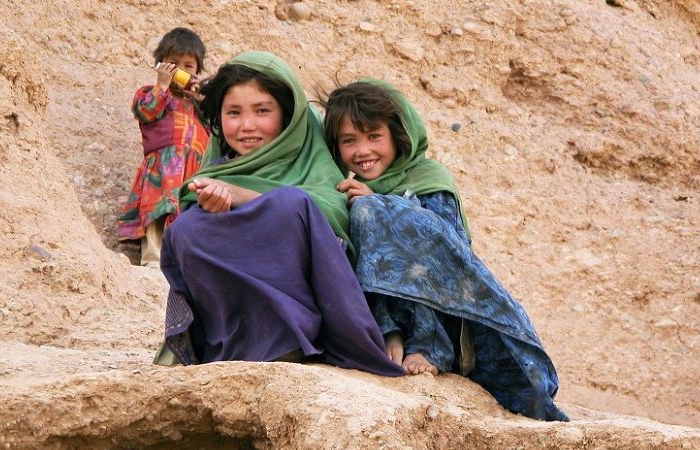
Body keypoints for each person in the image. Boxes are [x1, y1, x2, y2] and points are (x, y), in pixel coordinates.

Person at [319, 80, 569, 421]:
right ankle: (388, 333)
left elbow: (446, 256)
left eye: (373, 136)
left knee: (371, 213)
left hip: (446, 313)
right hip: (390, 316)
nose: (362, 150)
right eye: (349, 141)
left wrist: (380, 205)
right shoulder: (352, 190)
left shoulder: (429, 178)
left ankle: (430, 345)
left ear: (399, 134)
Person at [153, 52, 403, 377]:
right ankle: (232, 345)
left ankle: (291, 338)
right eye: (233, 113)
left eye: (262, 111)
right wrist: (216, 209)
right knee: (186, 229)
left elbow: (326, 216)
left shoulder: (311, 163)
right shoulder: (218, 173)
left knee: (291, 204)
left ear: (287, 115)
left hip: (309, 332)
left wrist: (245, 199)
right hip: (231, 348)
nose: (247, 126)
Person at [117, 27, 210, 268]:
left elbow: (219, 130)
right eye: (173, 63)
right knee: (159, 209)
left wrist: (206, 102)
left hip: (194, 167)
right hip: (164, 164)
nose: (181, 70)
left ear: (197, 71)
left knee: (189, 213)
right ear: (160, 66)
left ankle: (183, 262)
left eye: (188, 66)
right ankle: (153, 257)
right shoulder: (151, 92)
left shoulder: (200, 103)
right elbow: (145, 112)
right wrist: (162, 85)